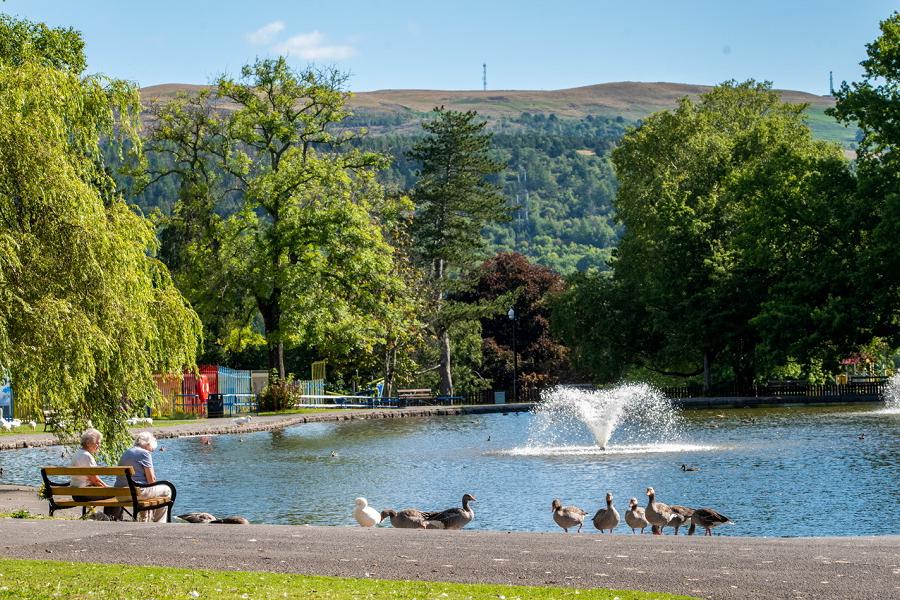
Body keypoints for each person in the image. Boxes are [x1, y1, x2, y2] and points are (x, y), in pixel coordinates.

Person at [115, 432, 171, 522]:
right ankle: (160, 522)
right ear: (147, 444)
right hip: (135, 494)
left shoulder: (126, 452)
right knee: (167, 488)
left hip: (120, 494)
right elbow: (151, 481)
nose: (151, 452)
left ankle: (145, 519)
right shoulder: (144, 454)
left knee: (147, 488)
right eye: (151, 449)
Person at [70, 428, 112, 502]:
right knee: (117, 493)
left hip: (75, 493)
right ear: (88, 443)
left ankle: (109, 514)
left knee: (113, 491)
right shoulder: (87, 456)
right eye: (97, 443)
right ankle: (111, 514)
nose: (99, 445)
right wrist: (107, 487)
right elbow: (94, 480)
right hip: (85, 494)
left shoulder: (77, 453)